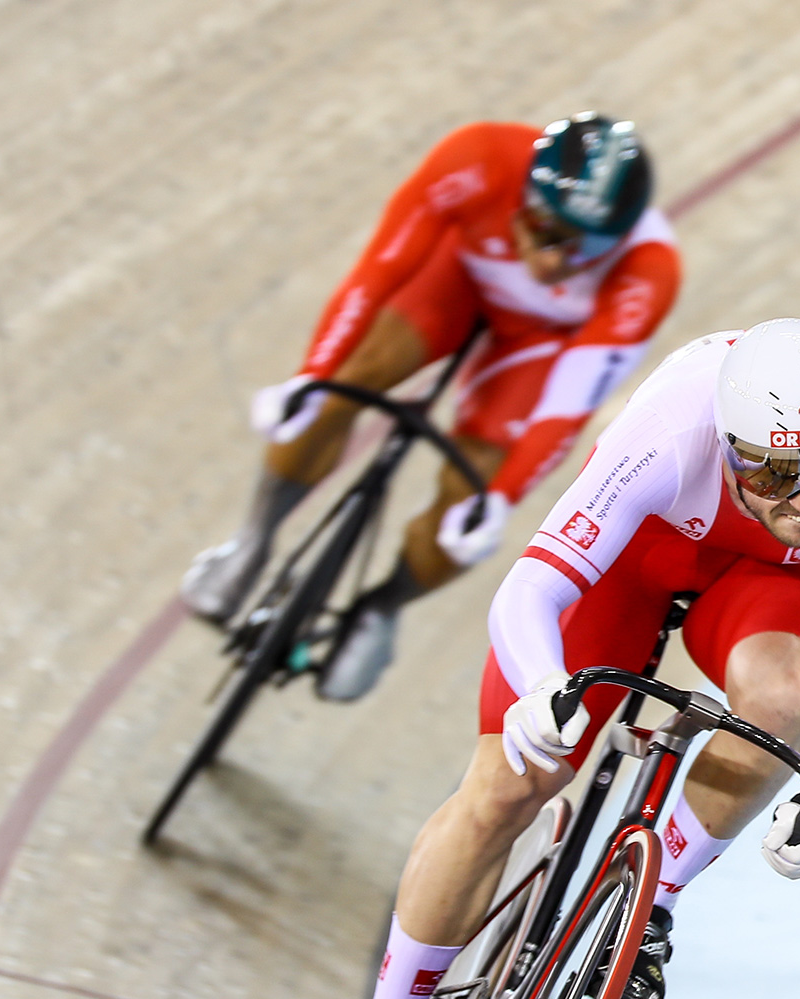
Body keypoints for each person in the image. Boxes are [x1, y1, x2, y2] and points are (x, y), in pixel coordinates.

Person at [292, 318, 800, 999]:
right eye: (777, 474)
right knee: (508, 788)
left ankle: (651, 901)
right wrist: (541, 689)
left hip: (769, 583)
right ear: (731, 444)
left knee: (781, 701)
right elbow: (533, 591)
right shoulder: (670, 428)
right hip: (637, 552)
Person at [182, 113, 681, 701]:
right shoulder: (477, 160)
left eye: (587, 249)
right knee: (348, 382)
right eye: (546, 229)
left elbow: (567, 405)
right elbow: (378, 274)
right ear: (525, 194)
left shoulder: (648, 272)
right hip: (457, 282)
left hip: (543, 344)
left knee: (470, 499)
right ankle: (252, 539)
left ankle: (384, 605)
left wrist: (500, 497)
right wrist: (313, 376)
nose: (554, 261)